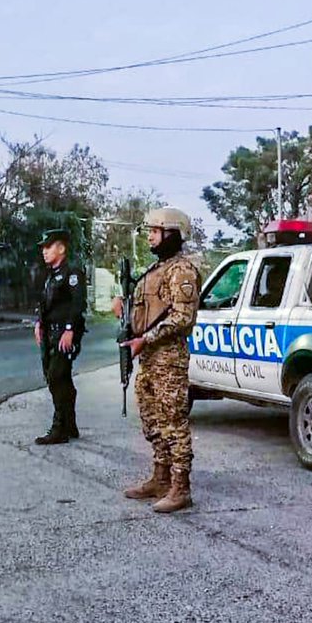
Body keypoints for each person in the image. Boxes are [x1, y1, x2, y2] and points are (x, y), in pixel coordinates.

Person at [113, 207, 200, 513]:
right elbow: (147, 311)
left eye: (155, 231)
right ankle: (160, 477)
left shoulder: (181, 271)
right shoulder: (156, 270)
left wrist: (145, 339)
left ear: (171, 234)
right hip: (149, 358)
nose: (150, 236)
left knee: (173, 421)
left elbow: (183, 317)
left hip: (169, 358)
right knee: (152, 418)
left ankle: (181, 487)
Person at [34, 228, 86, 445]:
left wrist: (70, 329)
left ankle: (59, 429)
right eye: (43, 248)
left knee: (56, 377)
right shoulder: (50, 275)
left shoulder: (72, 273)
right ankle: (70, 424)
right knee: (59, 378)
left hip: (64, 334)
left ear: (61, 248)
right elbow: (44, 302)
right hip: (50, 333)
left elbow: (78, 303)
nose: (44, 252)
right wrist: (38, 323)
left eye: (48, 247)